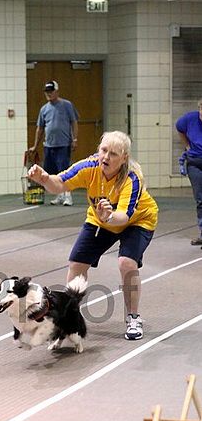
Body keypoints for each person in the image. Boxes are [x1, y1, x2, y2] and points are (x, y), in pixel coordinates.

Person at [28, 131, 158, 340]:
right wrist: (43, 178)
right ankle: (68, 317)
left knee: (126, 263)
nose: (106, 157)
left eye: (113, 154)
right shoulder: (88, 167)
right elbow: (59, 183)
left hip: (137, 221)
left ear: (124, 158)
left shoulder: (131, 178)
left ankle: (133, 317)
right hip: (100, 219)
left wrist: (108, 216)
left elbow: (123, 217)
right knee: (77, 264)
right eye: (103, 150)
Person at [29, 80, 78, 206]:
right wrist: (35, 145)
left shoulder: (67, 105)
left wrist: (74, 139)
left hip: (63, 144)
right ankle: (59, 194)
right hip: (49, 145)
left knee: (64, 170)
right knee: (52, 171)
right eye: (47, 92)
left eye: (51, 92)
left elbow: (74, 122)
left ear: (57, 91)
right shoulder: (44, 109)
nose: (49, 94)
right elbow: (40, 128)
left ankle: (68, 195)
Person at [176, 98, 202, 246]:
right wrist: (187, 146)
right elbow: (180, 129)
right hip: (195, 162)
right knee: (200, 199)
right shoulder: (189, 119)